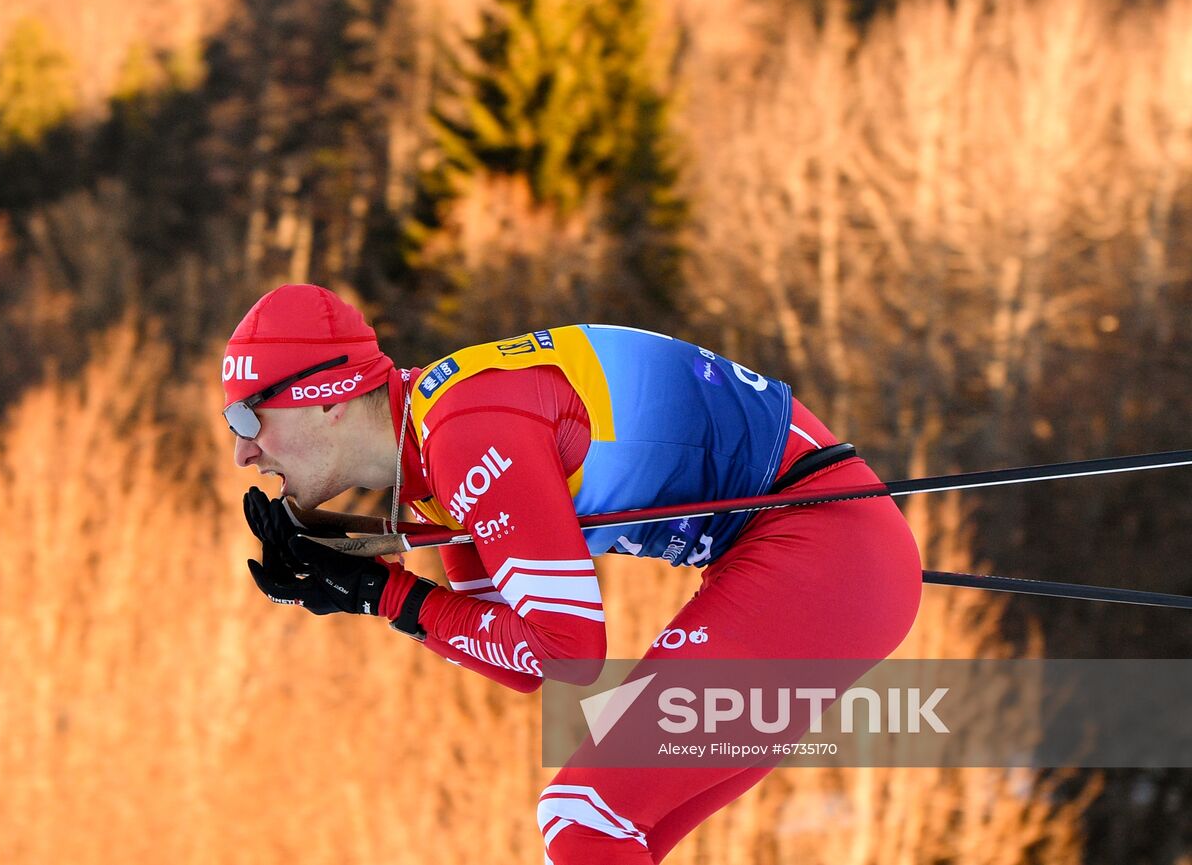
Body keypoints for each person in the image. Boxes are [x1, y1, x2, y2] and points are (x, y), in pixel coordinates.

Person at [224, 283, 921, 864]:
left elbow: (569, 650)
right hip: (823, 556)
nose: (241, 450)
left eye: (248, 413)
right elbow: (523, 659)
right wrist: (378, 593)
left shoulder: (468, 437)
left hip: (827, 546)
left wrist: (390, 592)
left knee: (584, 815)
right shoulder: (436, 457)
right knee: (610, 831)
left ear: (328, 395)